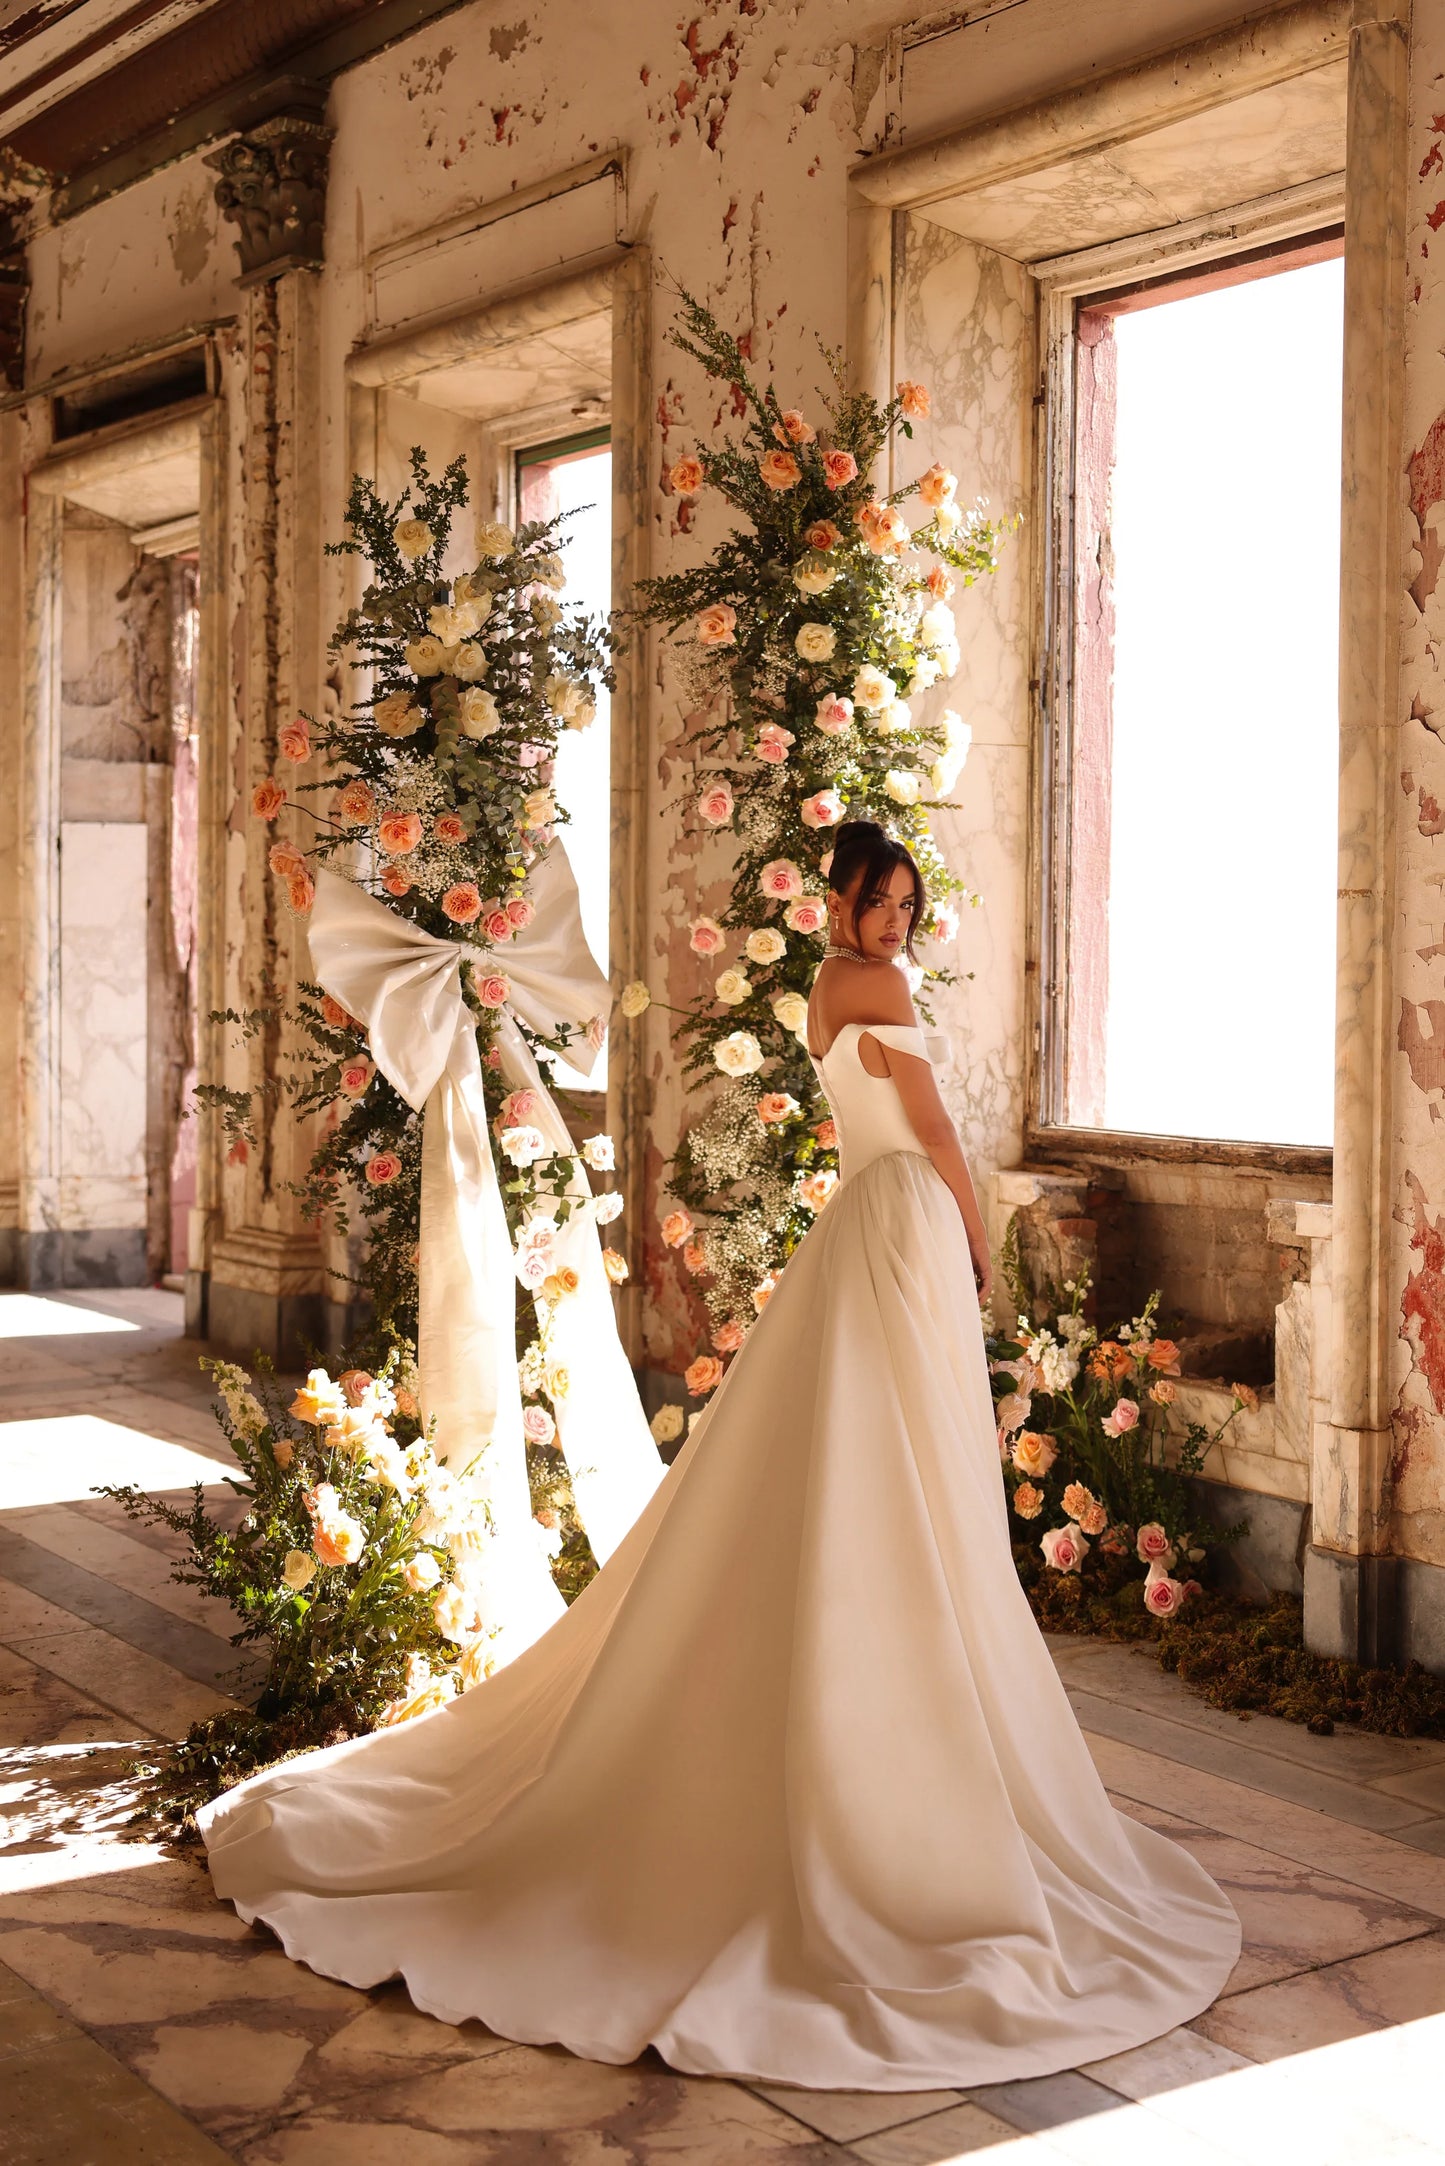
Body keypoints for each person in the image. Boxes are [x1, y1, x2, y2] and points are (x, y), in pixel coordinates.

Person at [198, 818, 1240, 2091]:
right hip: (906, 1223)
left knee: (845, 1460)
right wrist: (978, 1245)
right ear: (841, 906)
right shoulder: (883, 989)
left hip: (859, 1225)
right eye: (879, 900)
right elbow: (935, 1130)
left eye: (909, 902)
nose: (898, 920)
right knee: (904, 1470)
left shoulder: (821, 996)